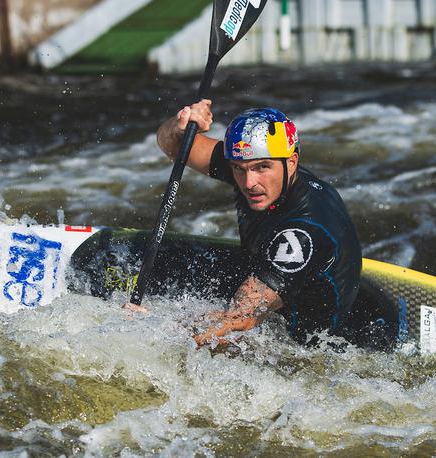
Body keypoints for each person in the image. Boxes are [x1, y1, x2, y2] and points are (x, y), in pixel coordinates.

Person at [149, 99, 378, 348]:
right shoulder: (256, 166)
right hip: (272, 280)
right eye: (238, 169)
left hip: (312, 347)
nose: (249, 183)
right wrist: (181, 126)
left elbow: (237, 321)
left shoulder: (303, 234)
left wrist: (152, 329)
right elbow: (173, 146)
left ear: (291, 162)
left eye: (262, 168)